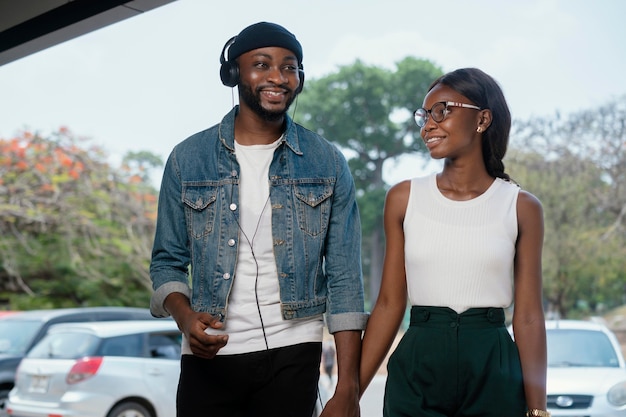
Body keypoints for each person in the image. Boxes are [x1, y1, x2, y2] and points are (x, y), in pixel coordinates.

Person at [149, 21, 367, 417]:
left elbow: (345, 277)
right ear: (234, 73)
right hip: (209, 353)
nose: (278, 77)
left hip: (293, 349)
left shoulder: (328, 162)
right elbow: (167, 260)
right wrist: (185, 319)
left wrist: (348, 386)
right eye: (262, 64)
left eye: (289, 67)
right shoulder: (187, 159)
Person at [359, 68, 549, 417]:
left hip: (494, 366)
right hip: (418, 363)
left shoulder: (521, 207)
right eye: (424, 115)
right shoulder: (403, 198)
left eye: (441, 111)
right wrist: (348, 394)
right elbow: (388, 304)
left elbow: (529, 317)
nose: (427, 125)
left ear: (482, 119)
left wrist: (538, 411)